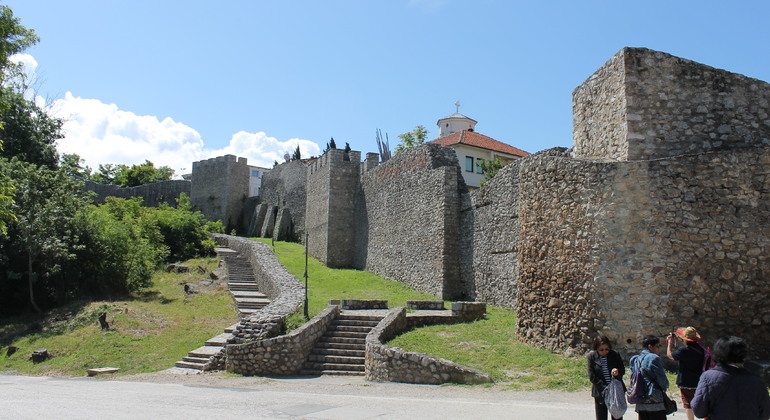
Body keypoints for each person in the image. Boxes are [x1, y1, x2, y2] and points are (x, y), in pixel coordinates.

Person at [691, 336, 770, 420]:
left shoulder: (709, 377)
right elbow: (765, 414)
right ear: (743, 357)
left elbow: (699, 411)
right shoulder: (757, 382)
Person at [666, 327, 706, 420]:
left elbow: (670, 355)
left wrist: (670, 343)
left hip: (685, 381)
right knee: (701, 401)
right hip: (699, 380)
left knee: (687, 404)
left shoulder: (683, 350)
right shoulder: (701, 348)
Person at [630, 335, 669, 420]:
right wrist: (664, 388)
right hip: (654, 399)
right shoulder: (653, 358)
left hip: (640, 397)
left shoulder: (635, 359)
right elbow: (662, 379)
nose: (658, 349)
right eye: (657, 346)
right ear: (650, 346)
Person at [587, 335, 626, 420]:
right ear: (596, 348)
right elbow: (592, 376)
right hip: (600, 391)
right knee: (601, 416)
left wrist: (617, 372)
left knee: (617, 416)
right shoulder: (592, 357)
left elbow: (622, 370)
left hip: (615, 390)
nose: (604, 351)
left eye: (607, 349)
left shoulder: (615, 355)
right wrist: (604, 388)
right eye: (601, 350)